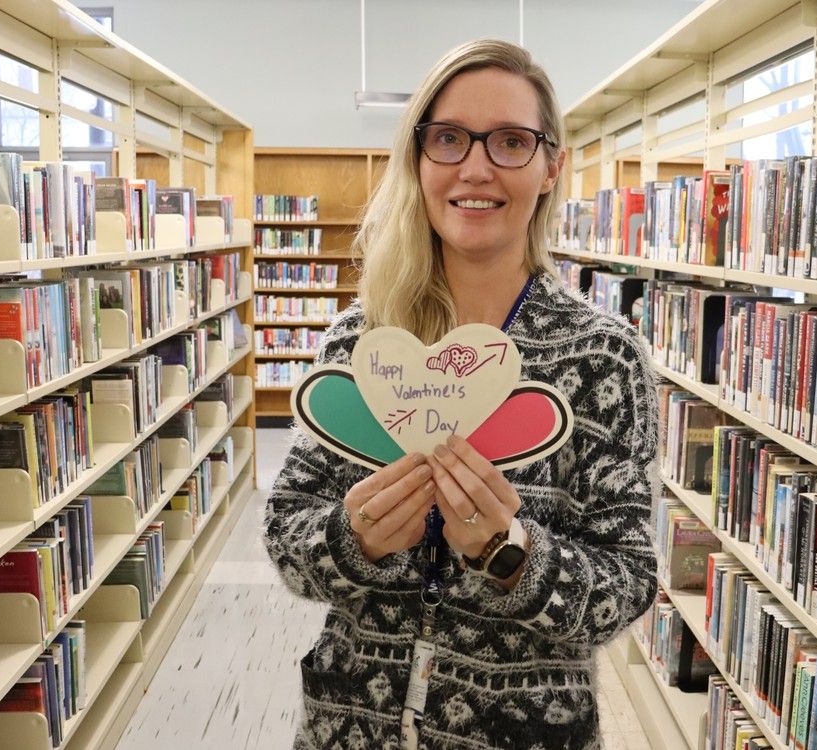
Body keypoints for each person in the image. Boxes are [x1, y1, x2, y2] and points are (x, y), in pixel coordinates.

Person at [264, 38, 658, 750]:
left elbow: (627, 583)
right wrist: (350, 541)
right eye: (448, 138)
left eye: (511, 141)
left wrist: (510, 555)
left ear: (550, 168)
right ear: (418, 160)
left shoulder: (604, 357)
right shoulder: (364, 340)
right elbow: (287, 530)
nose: (476, 167)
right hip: (352, 726)